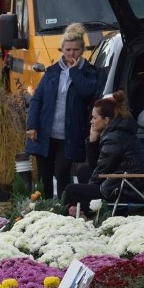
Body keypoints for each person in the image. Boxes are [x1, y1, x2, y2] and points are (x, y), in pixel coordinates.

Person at [25, 22, 98, 199]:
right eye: (67, 49)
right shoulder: (52, 71)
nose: (71, 53)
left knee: (62, 171)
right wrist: (32, 125)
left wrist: (74, 71)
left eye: (75, 49)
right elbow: (37, 99)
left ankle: (66, 207)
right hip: (45, 132)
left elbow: (86, 91)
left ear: (82, 50)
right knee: (44, 173)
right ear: (62, 50)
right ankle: (46, 208)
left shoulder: (89, 71)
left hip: (69, 133)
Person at [64, 91, 144, 217]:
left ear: (106, 120)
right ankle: (88, 211)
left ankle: (88, 215)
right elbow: (96, 165)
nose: (91, 121)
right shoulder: (116, 132)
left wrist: (88, 192)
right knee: (83, 170)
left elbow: (101, 170)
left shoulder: (115, 137)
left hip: (130, 190)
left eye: (95, 118)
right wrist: (92, 140)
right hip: (123, 183)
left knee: (71, 190)